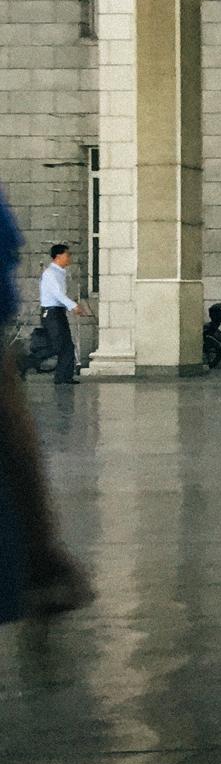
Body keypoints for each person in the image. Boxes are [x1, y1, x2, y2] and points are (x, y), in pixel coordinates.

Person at [0, 186, 89, 631]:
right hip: (56, 315)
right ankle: (60, 374)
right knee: (63, 351)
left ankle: (60, 374)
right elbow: (7, 407)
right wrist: (40, 546)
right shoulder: (50, 274)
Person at [37, 244, 86, 385]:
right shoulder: (50, 273)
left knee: (67, 346)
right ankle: (25, 361)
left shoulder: (60, 273)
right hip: (51, 313)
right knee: (57, 345)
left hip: (58, 312)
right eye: (67, 254)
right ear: (58, 256)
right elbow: (57, 294)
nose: (69, 257)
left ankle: (63, 377)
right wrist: (73, 306)